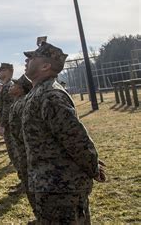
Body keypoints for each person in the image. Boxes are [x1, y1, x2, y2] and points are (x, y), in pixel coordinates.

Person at [22, 41, 106, 223]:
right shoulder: (39, 92)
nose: (27, 60)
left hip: (62, 188)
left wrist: (92, 166)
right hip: (50, 186)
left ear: (46, 66)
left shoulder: (51, 96)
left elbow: (76, 139)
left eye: (33, 57)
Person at [7, 75, 35, 206]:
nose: (11, 87)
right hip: (20, 146)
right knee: (26, 176)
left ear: (21, 89)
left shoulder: (23, 103)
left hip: (25, 147)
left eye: (15, 85)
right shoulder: (18, 102)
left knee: (30, 178)